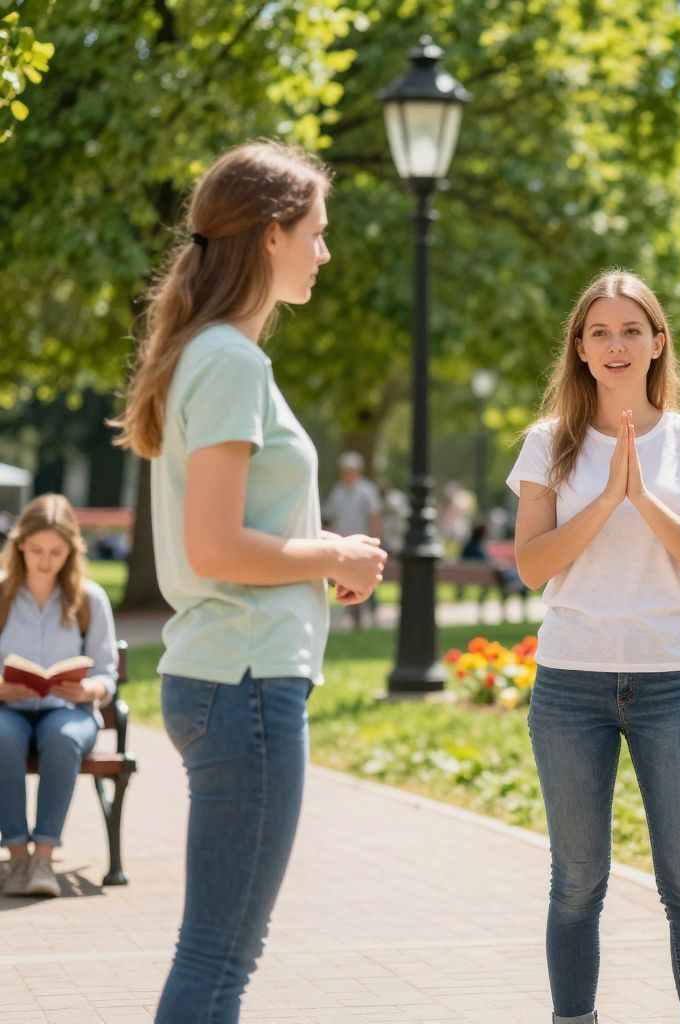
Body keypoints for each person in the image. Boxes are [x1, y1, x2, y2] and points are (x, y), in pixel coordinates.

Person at [110, 140, 388, 1023]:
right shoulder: (230, 361)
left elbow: (222, 539)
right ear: (271, 236)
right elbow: (219, 545)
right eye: (317, 231)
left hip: (226, 674)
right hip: (247, 682)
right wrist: (334, 556)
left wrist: (314, 555)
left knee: (218, 953)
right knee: (220, 959)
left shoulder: (208, 353)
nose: (325, 250)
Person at [509, 269, 680, 1024]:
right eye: (600, 332)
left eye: (631, 330)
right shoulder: (548, 444)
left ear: (657, 342)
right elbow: (534, 565)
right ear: (578, 348)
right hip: (571, 684)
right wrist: (607, 498)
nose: (616, 345)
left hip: (671, 681)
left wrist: (642, 498)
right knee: (576, 880)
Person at [0, 494, 118, 899]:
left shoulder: (89, 598)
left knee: (63, 737)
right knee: (2, 735)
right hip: (8, 709)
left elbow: (107, 671)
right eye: (36, 550)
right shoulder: (1, 595)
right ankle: (16, 856)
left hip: (67, 710)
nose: (45, 561)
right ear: (19, 546)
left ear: (72, 550)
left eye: (56, 551)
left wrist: (89, 688)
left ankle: (44, 858)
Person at [323, 451, 383, 629]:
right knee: (344, 579)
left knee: (367, 579)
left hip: (363, 540)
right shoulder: (338, 491)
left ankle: (372, 615)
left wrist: (376, 538)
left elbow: (374, 516)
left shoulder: (367, 490)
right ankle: (351, 616)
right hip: (343, 542)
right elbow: (333, 517)